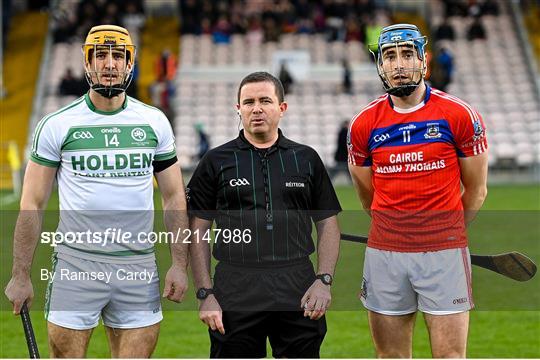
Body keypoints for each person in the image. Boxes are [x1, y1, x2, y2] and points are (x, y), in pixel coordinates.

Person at [4, 25, 189, 358]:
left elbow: (174, 197)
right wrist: (20, 275)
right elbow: (32, 202)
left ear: (130, 63)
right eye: (100, 55)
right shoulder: (57, 124)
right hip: (75, 267)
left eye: (118, 55)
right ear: (87, 63)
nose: (109, 64)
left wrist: (179, 264)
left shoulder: (154, 122)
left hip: (138, 267)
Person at [348, 24, 488, 358]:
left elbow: (477, 190)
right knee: (390, 356)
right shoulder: (363, 124)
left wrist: (444, 232)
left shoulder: (459, 115)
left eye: (407, 54)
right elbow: (368, 196)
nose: (398, 64)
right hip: (386, 253)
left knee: (450, 356)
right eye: (389, 56)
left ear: (423, 60)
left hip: (444, 252)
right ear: (380, 65)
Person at [188, 71, 341, 358]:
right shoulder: (215, 161)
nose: (256, 108)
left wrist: (324, 280)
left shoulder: (305, 158)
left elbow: (328, 224)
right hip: (236, 284)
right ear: (238, 109)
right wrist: (205, 293)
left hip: (297, 282)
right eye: (248, 102)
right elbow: (198, 231)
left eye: (265, 101)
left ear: (282, 108)